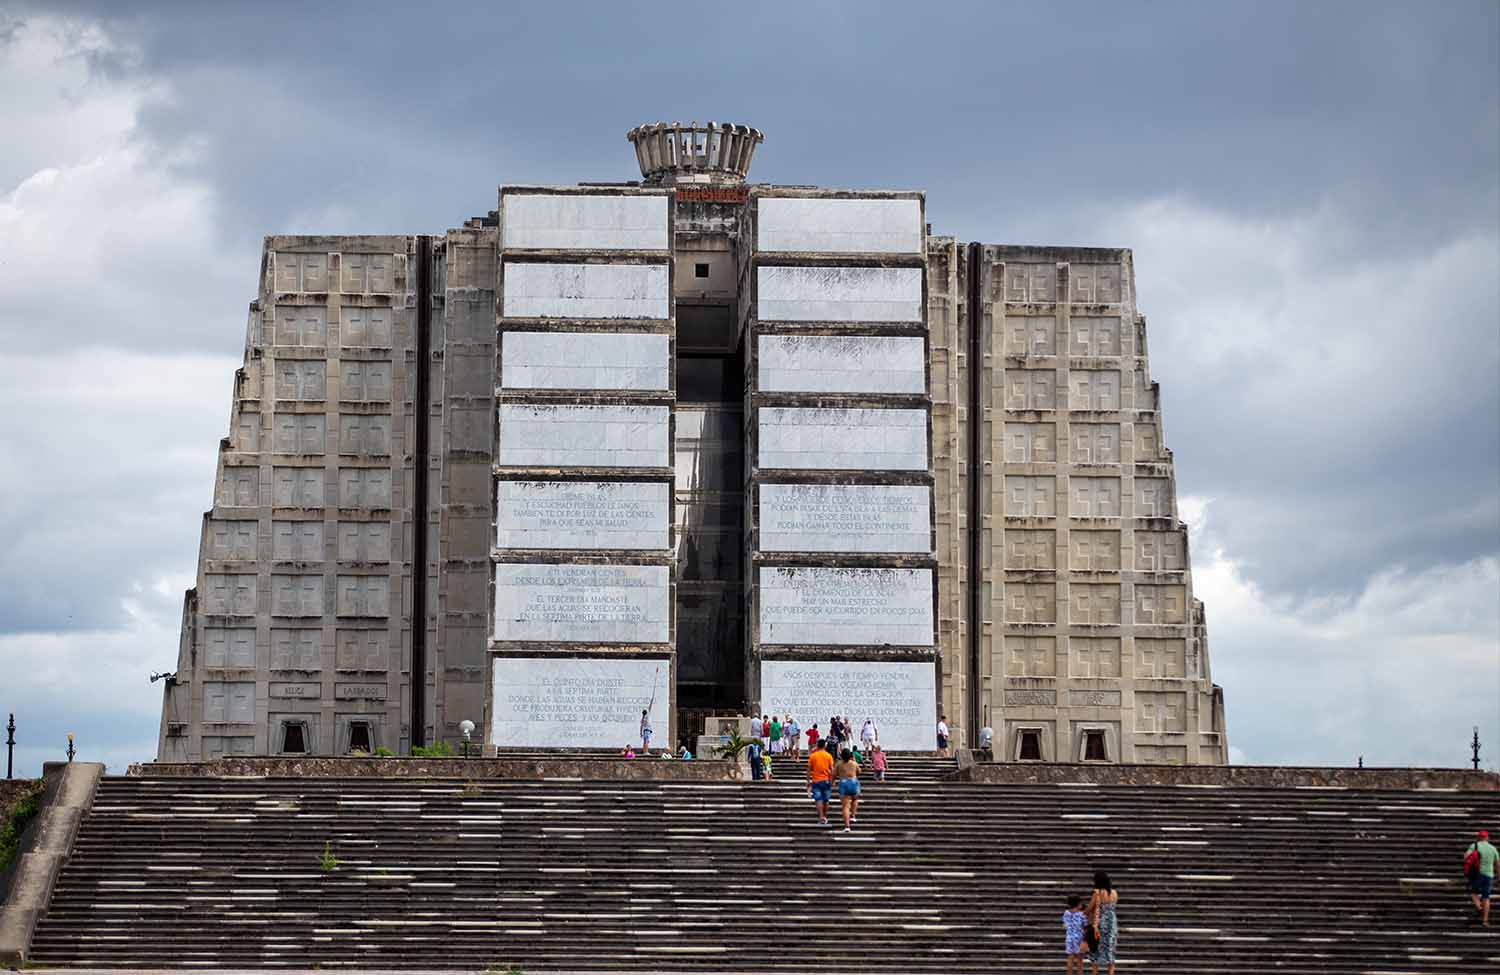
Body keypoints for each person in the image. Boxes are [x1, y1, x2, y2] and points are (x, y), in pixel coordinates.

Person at [1087, 871, 1119, 974]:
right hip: (1112, 923)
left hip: (1101, 923)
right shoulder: (1114, 892)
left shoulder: (1098, 893)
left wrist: (1083, 912)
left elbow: (1090, 908)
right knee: (1110, 951)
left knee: (1096, 950)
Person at [1467, 829, 1497, 926]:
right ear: (1487, 838)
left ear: (1479, 837)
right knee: (1486, 897)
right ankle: (1485, 921)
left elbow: (1466, 857)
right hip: (1489, 875)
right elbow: (1497, 863)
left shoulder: (1474, 846)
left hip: (1477, 874)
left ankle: (1479, 909)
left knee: (1473, 892)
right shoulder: (1493, 848)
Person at [806, 737, 835, 826]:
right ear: (825, 746)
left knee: (818, 799)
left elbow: (809, 770)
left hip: (816, 780)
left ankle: (821, 817)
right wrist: (832, 781)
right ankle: (825, 816)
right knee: (826, 800)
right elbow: (832, 770)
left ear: (817, 745)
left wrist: (808, 781)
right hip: (826, 780)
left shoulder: (813, 756)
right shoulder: (828, 756)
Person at [834, 747, 861, 832]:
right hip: (853, 781)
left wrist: (832, 782)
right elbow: (859, 772)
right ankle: (853, 816)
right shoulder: (854, 763)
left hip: (844, 782)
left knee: (845, 806)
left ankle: (847, 826)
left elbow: (834, 774)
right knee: (855, 799)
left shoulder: (839, 763)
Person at [1063, 894, 1088, 975]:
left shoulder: (1066, 913)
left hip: (1069, 938)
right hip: (1079, 938)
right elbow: (1085, 925)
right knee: (1080, 961)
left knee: (1070, 959)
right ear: (1078, 904)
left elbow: (1065, 925)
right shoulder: (1082, 914)